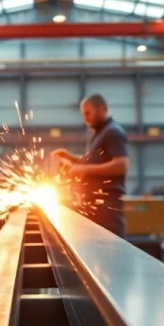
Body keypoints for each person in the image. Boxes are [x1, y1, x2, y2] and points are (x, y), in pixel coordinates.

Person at [51, 94, 130, 236]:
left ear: (103, 109)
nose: (85, 118)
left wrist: (84, 170)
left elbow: (121, 165)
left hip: (107, 207)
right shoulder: (98, 133)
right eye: (83, 114)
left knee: (108, 251)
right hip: (95, 206)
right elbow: (93, 162)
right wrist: (69, 157)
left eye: (88, 113)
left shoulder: (113, 132)